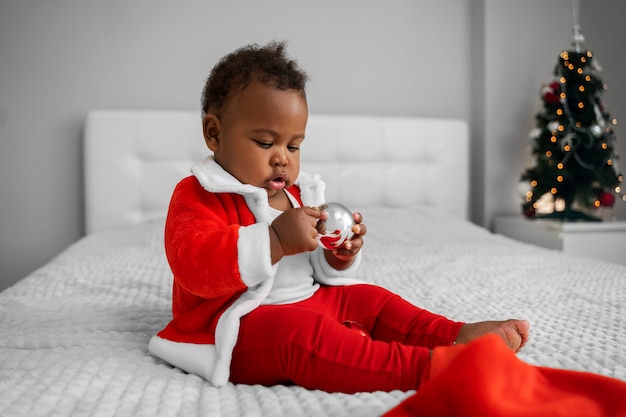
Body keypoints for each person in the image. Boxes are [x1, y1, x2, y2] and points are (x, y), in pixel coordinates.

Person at [148, 41, 530, 394]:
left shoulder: (297, 193)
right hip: (240, 323)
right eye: (265, 142)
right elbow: (194, 265)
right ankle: (428, 367)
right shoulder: (199, 193)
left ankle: (456, 335)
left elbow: (313, 267)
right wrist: (275, 241)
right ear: (214, 134)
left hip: (311, 300)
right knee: (300, 337)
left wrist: (337, 252)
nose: (282, 157)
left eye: (294, 145)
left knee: (373, 300)